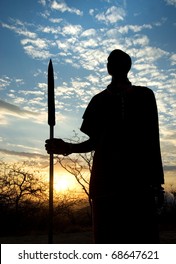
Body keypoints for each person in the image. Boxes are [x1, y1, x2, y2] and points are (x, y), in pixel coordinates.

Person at [45, 49, 164, 244]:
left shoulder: (145, 96)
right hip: (105, 183)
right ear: (109, 68)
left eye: (115, 61)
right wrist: (67, 147)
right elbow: (94, 142)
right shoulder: (98, 101)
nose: (112, 64)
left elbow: (152, 140)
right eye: (111, 61)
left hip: (139, 183)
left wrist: (157, 182)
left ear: (127, 66)